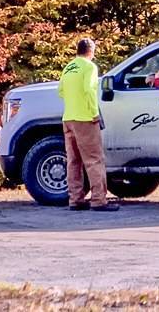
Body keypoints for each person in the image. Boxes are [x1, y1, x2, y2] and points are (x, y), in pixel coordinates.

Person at [58, 38, 120, 210]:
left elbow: (61, 91)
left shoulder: (69, 67)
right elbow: (89, 90)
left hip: (68, 118)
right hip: (85, 118)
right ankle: (99, 200)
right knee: (94, 159)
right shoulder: (90, 67)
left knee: (73, 160)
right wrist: (94, 113)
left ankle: (75, 199)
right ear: (91, 51)